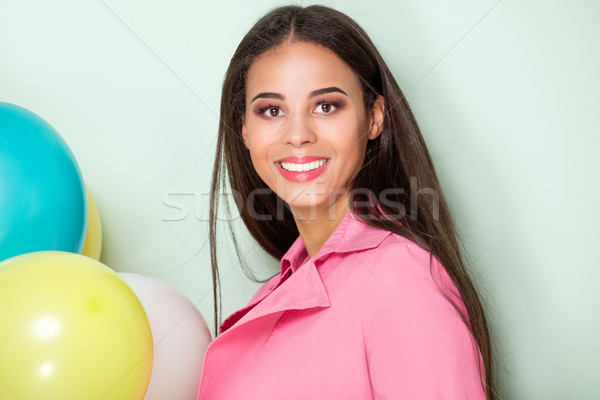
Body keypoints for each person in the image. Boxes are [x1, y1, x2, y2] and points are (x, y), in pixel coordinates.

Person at [198, 4, 495, 399]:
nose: (298, 134)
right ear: (245, 131)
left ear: (374, 118)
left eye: (325, 106)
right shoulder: (287, 281)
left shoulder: (400, 278)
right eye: (272, 110)